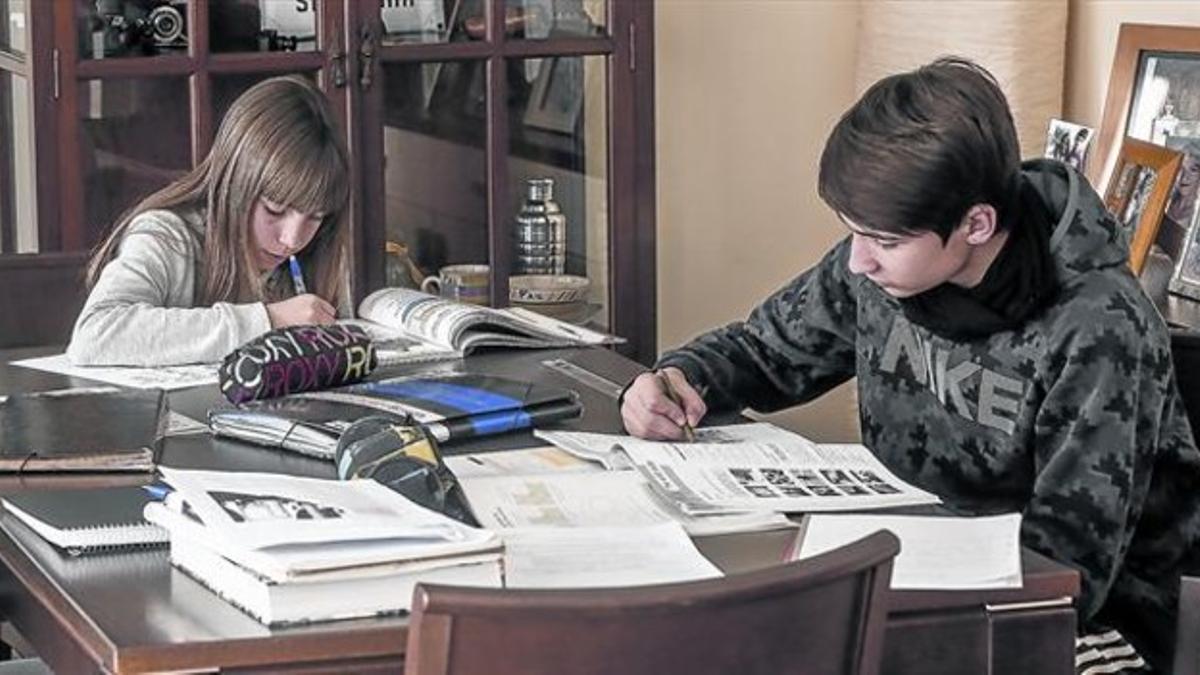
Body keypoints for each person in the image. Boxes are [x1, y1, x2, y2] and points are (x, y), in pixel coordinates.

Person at [622, 57, 1200, 673]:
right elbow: (765, 352)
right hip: (906, 575)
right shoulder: (889, 264)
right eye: (855, 234)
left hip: (1070, 621)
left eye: (883, 242)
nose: (857, 263)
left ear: (976, 224)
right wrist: (676, 378)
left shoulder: (1101, 325)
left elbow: (1066, 566)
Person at [66, 74, 350, 366]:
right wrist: (269, 319)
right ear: (235, 183)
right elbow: (95, 335)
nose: (291, 239)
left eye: (315, 217)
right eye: (275, 210)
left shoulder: (318, 249)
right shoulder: (167, 236)